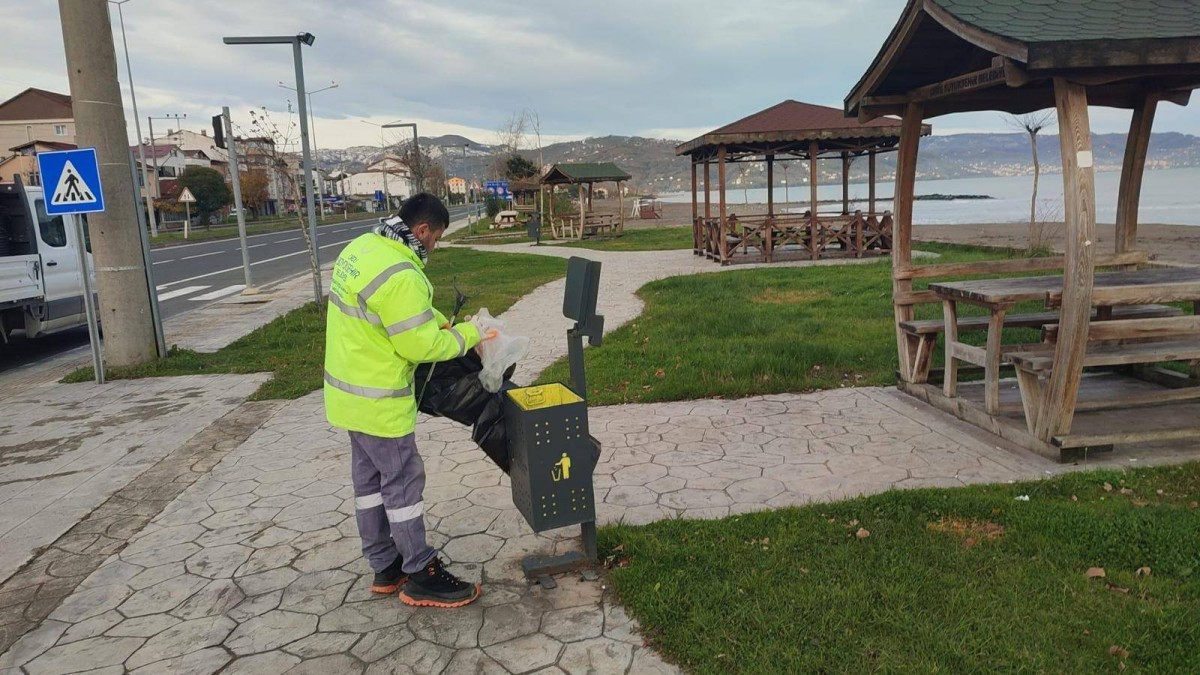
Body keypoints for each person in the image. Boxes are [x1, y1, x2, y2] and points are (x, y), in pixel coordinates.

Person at [324, 193, 485, 609]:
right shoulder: (402, 273)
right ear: (422, 231)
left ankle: (385, 566)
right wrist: (470, 334)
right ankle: (420, 572)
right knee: (403, 484)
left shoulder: (364, 247)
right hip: (380, 401)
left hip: (348, 396)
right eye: (437, 238)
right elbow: (420, 344)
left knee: (369, 485)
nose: (435, 247)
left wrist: (441, 320)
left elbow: (401, 313)